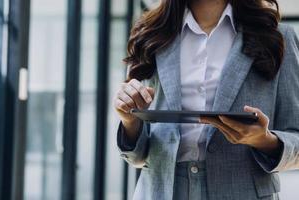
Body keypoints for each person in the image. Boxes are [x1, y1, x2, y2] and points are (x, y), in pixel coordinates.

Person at [113, 0, 299, 199]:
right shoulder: (149, 34)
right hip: (161, 191)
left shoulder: (278, 37)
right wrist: (129, 121)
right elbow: (138, 156)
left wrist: (264, 140)